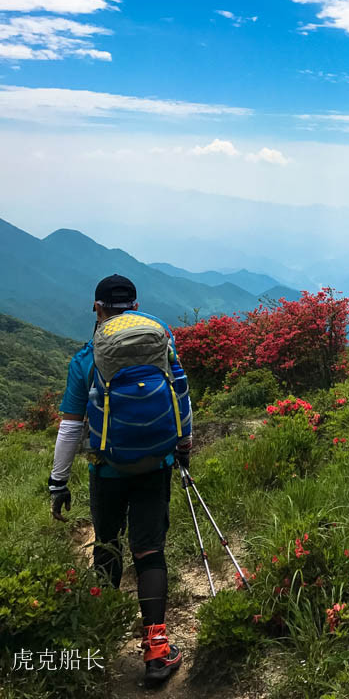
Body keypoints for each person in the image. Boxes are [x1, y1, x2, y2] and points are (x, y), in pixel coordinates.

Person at [48, 274, 192, 686]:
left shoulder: (87, 357)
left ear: (97, 308)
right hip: (156, 463)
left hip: (106, 468)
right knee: (149, 551)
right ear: (135, 304)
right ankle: (158, 652)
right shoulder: (161, 340)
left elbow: (71, 427)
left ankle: (100, 643)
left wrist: (58, 483)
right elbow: (180, 393)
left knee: (108, 544)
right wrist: (183, 446)